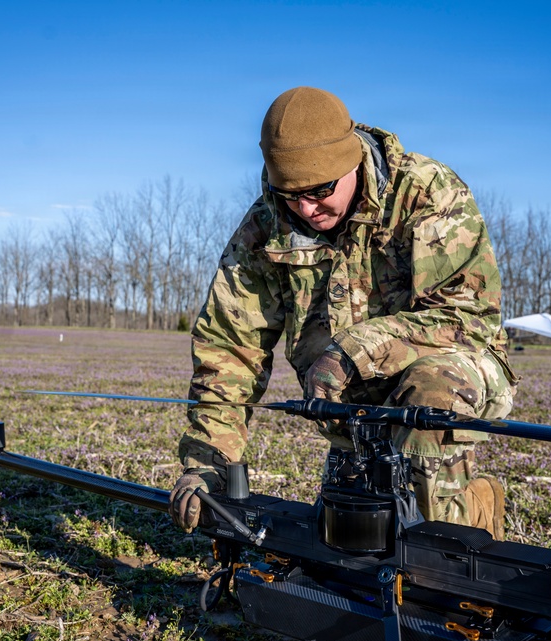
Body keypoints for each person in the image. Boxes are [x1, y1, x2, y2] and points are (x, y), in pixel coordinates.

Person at [169, 86, 518, 539]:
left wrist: (353, 351)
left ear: (352, 161)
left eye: (320, 191)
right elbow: (230, 348)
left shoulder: (428, 193)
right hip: (347, 408)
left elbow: (465, 320)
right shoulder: (265, 228)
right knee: (348, 542)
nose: (306, 209)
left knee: (427, 437)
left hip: (456, 372)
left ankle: (459, 537)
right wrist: (210, 465)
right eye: (289, 194)